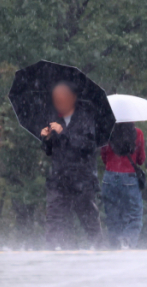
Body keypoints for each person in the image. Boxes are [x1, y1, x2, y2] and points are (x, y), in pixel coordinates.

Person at [40, 81, 102, 249]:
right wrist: (46, 139)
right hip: (59, 179)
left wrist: (64, 133)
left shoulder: (85, 118)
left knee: (89, 220)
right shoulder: (53, 117)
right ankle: (52, 250)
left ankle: (100, 251)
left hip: (82, 179)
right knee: (54, 218)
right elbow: (50, 151)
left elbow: (88, 145)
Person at [100, 122, 145, 249]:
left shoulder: (107, 132)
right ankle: (127, 240)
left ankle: (115, 247)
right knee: (135, 216)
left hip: (109, 177)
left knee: (112, 218)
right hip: (129, 177)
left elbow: (104, 157)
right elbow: (141, 160)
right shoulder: (138, 133)